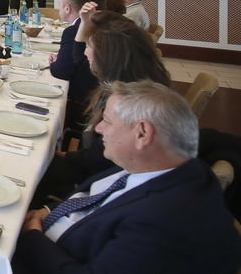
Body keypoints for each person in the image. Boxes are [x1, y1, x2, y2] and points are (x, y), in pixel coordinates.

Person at [14, 81, 241, 274]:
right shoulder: (157, 165)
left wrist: (31, 236)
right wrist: (48, 210)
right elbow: (92, 198)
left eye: (107, 121)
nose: (99, 129)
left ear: (142, 133)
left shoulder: (162, 224)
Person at [35, 10, 171, 206]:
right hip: (97, 167)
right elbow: (79, 58)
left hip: (96, 182)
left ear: (108, 56)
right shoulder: (133, 79)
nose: (85, 52)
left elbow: (98, 159)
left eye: (89, 46)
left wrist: (55, 156)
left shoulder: (128, 103)